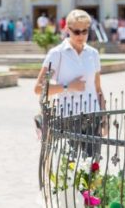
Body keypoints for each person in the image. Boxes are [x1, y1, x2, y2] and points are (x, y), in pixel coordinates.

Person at [34, 9, 105, 155]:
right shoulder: (57, 54)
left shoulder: (93, 54)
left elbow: (98, 88)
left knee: (93, 165)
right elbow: (39, 88)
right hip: (67, 118)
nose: (81, 36)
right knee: (68, 165)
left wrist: (104, 119)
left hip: (93, 116)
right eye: (76, 32)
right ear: (67, 29)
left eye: (85, 31)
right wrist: (68, 86)